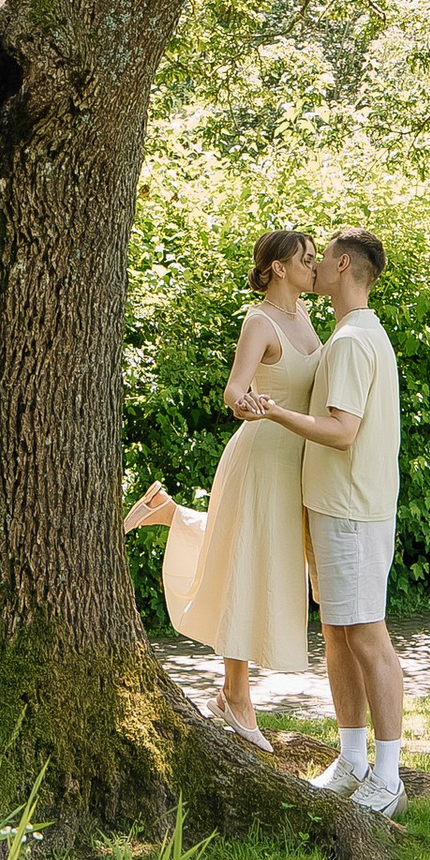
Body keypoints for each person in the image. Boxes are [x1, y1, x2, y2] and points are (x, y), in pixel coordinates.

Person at [123, 227, 321, 748]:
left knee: (264, 558)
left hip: (295, 461)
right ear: (279, 267)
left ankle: (168, 513)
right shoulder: (260, 320)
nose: (314, 265)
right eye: (305, 258)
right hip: (259, 457)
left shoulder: (305, 316)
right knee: (245, 562)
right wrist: (246, 402)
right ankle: (235, 694)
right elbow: (235, 388)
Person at [246, 229, 403, 817]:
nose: (312, 266)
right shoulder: (353, 335)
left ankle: (387, 776)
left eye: (320, 258)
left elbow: (342, 432)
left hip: (352, 510)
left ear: (342, 265)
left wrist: (276, 412)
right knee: (338, 634)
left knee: (365, 633)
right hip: (336, 506)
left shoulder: (352, 342)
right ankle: (353, 761)